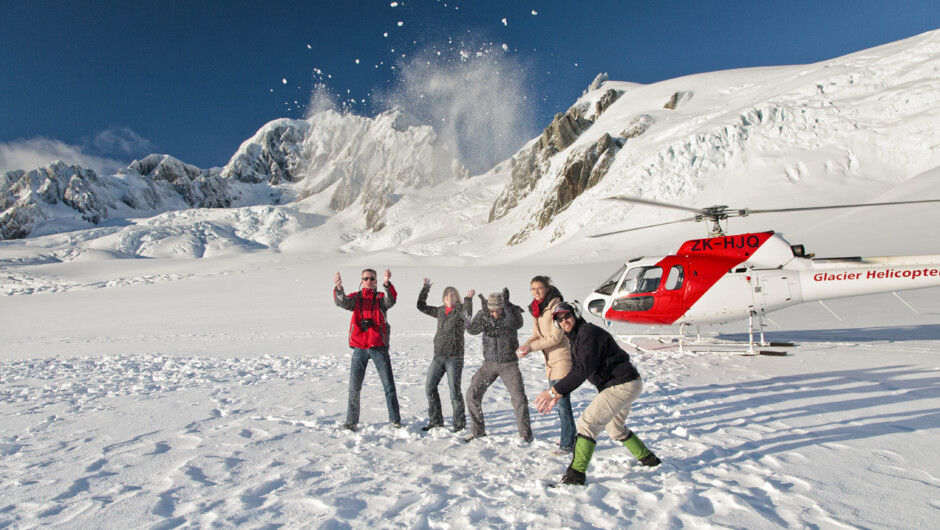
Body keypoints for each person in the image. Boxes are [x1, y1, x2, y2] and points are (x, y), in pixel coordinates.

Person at [534, 302, 661, 486]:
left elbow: (583, 369)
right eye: (559, 319)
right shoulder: (577, 338)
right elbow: (578, 369)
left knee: (587, 423)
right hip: (626, 384)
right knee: (615, 428)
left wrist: (554, 391)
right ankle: (649, 460)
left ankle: (575, 476)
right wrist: (559, 393)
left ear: (575, 314)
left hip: (621, 384)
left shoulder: (588, 333)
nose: (564, 321)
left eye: (566, 316)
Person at [333, 268, 401, 431]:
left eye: (372, 278)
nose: (369, 281)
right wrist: (339, 288)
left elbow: (390, 300)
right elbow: (341, 302)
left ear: (376, 281)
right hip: (359, 347)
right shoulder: (356, 298)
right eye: (366, 278)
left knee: (388, 386)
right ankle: (351, 421)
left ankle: (395, 419)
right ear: (361, 280)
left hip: (378, 347)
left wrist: (387, 284)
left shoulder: (379, 298)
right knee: (354, 388)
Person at [464, 288, 532, 443]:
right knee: (472, 394)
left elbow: (516, 324)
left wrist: (507, 305)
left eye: (497, 310)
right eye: (491, 310)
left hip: (509, 364)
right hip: (489, 364)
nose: (494, 313)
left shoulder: (511, 313)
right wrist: (468, 303)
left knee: (519, 398)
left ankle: (525, 435)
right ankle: (478, 431)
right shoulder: (484, 314)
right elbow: (470, 329)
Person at [517, 275, 576, 453]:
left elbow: (555, 338)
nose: (536, 292)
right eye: (533, 289)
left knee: (562, 403)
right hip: (550, 362)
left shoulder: (556, 308)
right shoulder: (537, 309)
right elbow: (537, 335)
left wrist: (531, 348)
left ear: (547, 288)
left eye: (539, 288)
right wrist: (526, 346)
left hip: (562, 359)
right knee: (561, 403)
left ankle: (567, 444)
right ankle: (570, 438)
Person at [416, 278, 472, 432]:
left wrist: (468, 300)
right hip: (438, 356)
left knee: (454, 391)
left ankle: (459, 424)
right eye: (446, 294)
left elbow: (468, 317)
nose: (449, 296)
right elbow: (420, 306)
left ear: (457, 297)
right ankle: (436, 421)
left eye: (453, 294)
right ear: (443, 297)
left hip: (454, 357)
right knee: (429, 387)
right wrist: (425, 288)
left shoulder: (460, 310)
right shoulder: (440, 311)